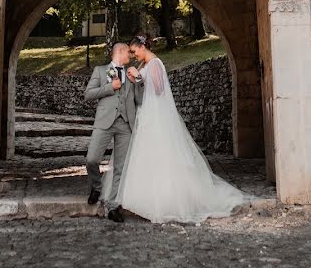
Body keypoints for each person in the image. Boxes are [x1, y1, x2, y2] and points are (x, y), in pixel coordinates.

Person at [113, 34, 250, 224]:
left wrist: (139, 78)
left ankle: (166, 201)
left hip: (157, 116)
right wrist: (138, 78)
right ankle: (149, 199)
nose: (134, 55)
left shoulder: (154, 63)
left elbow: (159, 90)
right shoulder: (146, 65)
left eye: (135, 52)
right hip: (148, 114)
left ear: (142, 48)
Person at [84, 41, 144, 222]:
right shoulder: (100, 71)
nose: (131, 56)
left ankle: (113, 207)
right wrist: (110, 87)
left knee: (120, 167)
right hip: (104, 122)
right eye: (128, 53)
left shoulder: (130, 73)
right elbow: (88, 94)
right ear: (119, 51)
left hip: (125, 124)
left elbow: (139, 100)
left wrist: (139, 81)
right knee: (91, 159)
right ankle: (96, 186)